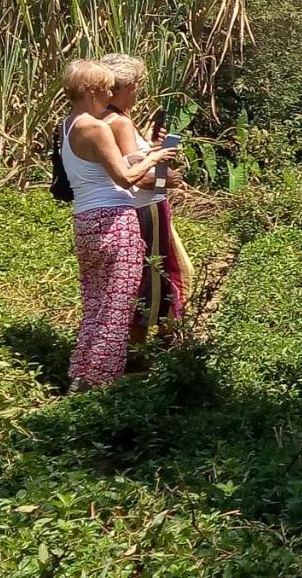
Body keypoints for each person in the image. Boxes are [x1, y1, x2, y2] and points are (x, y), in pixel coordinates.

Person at [59, 59, 178, 391]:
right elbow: (125, 178)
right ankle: (100, 384)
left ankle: (80, 375)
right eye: (108, 89)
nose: (112, 94)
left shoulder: (67, 124)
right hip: (113, 221)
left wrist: (147, 152)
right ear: (94, 90)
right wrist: (155, 158)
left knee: (95, 303)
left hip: (85, 220)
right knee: (116, 309)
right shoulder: (95, 128)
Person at [100, 54, 192, 352]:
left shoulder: (104, 120)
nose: (137, 93)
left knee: (159, 275)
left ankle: (160, 342)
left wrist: (156, 149)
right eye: (136, 86)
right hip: (145, 208)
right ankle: (156, 347)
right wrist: (170, 176)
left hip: (137, 207)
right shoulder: (120, 123)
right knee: (164, 276)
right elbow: (140, 178)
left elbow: (134, 163)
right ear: (125, 86)